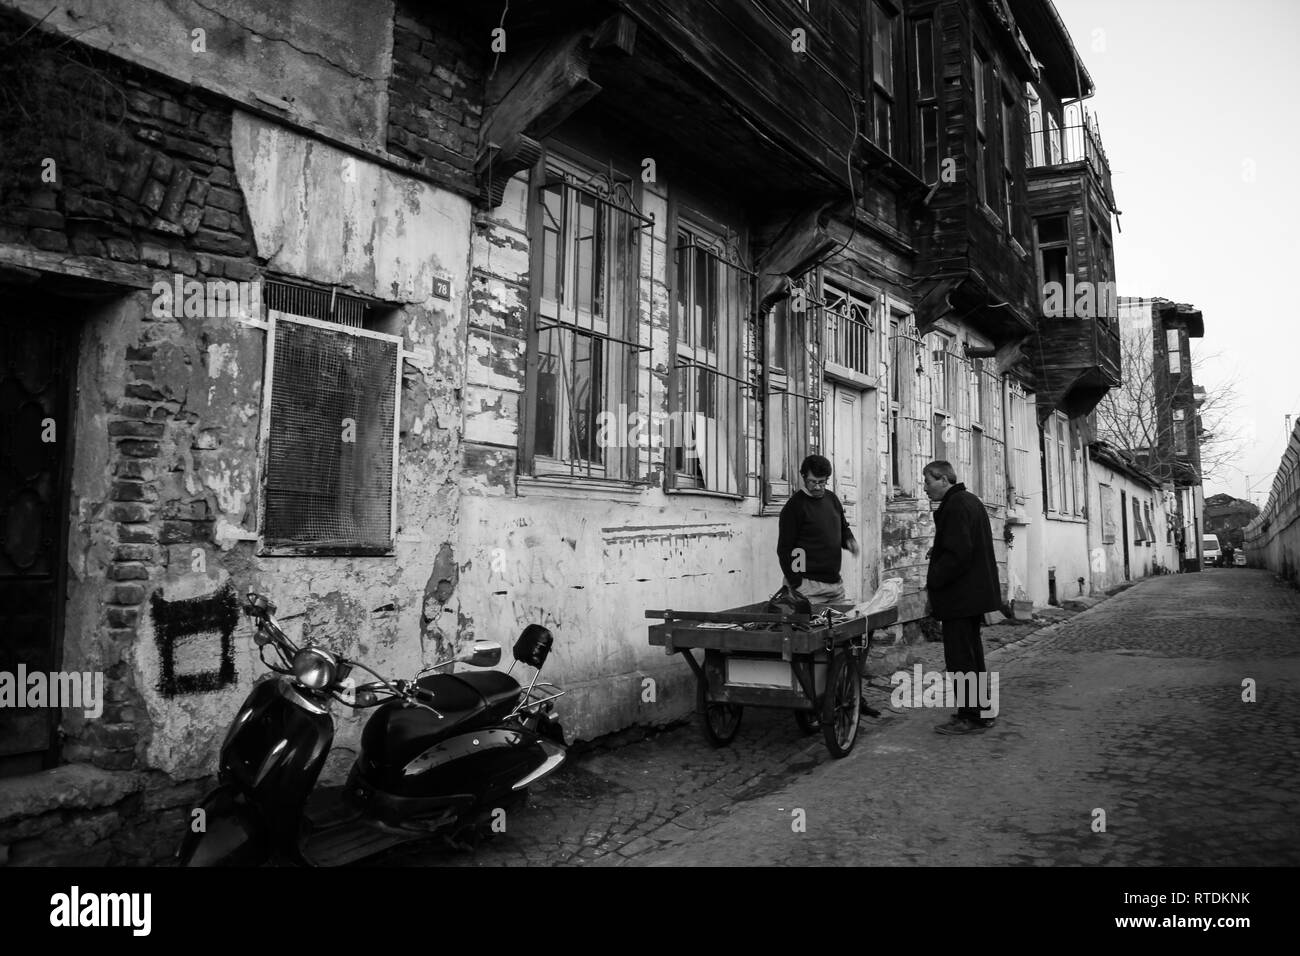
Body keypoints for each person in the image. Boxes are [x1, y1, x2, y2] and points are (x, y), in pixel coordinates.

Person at [923, 460, 1001, 735]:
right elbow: (962, 544)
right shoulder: (969, 500)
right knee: (972, 655)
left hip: (960, 597)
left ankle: (970, 717)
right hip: (972, 595)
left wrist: (933, 580)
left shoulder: (955, 505)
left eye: (928, 482)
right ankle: (982, 711)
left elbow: (959, 553)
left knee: (961, 658)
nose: (925, 488)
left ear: (944, 479)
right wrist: (940, 551)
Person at [777, 454, 860, 607]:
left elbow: (843, 529)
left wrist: (849, 541)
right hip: (807, 587)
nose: (817, 487)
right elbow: (785, 549)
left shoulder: (832, 500)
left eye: (822, 482)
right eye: (812, 482)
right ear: (803, 477)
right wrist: (796, 583)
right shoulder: (794, 507)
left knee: (838, 628)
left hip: (835, 586)